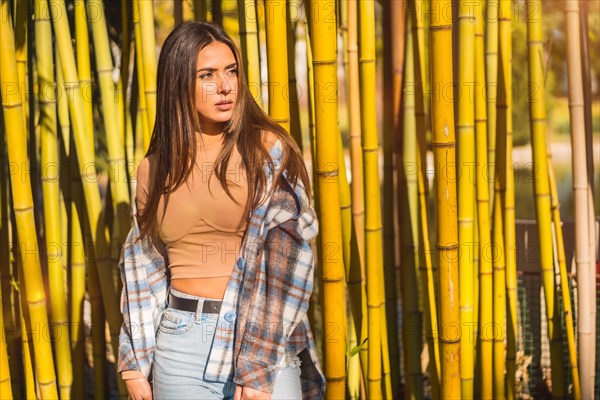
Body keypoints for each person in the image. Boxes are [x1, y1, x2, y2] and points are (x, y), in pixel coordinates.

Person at [117, 21, 325, 400]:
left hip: (259, 339)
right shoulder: (153, 169)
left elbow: (288, 258)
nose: (225, 85)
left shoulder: (267, 150)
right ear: (179, 82)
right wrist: (132, 362)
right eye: (207, 75)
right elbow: (144, 268)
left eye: (231, 71)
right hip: (179, 344)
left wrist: (257, 365)